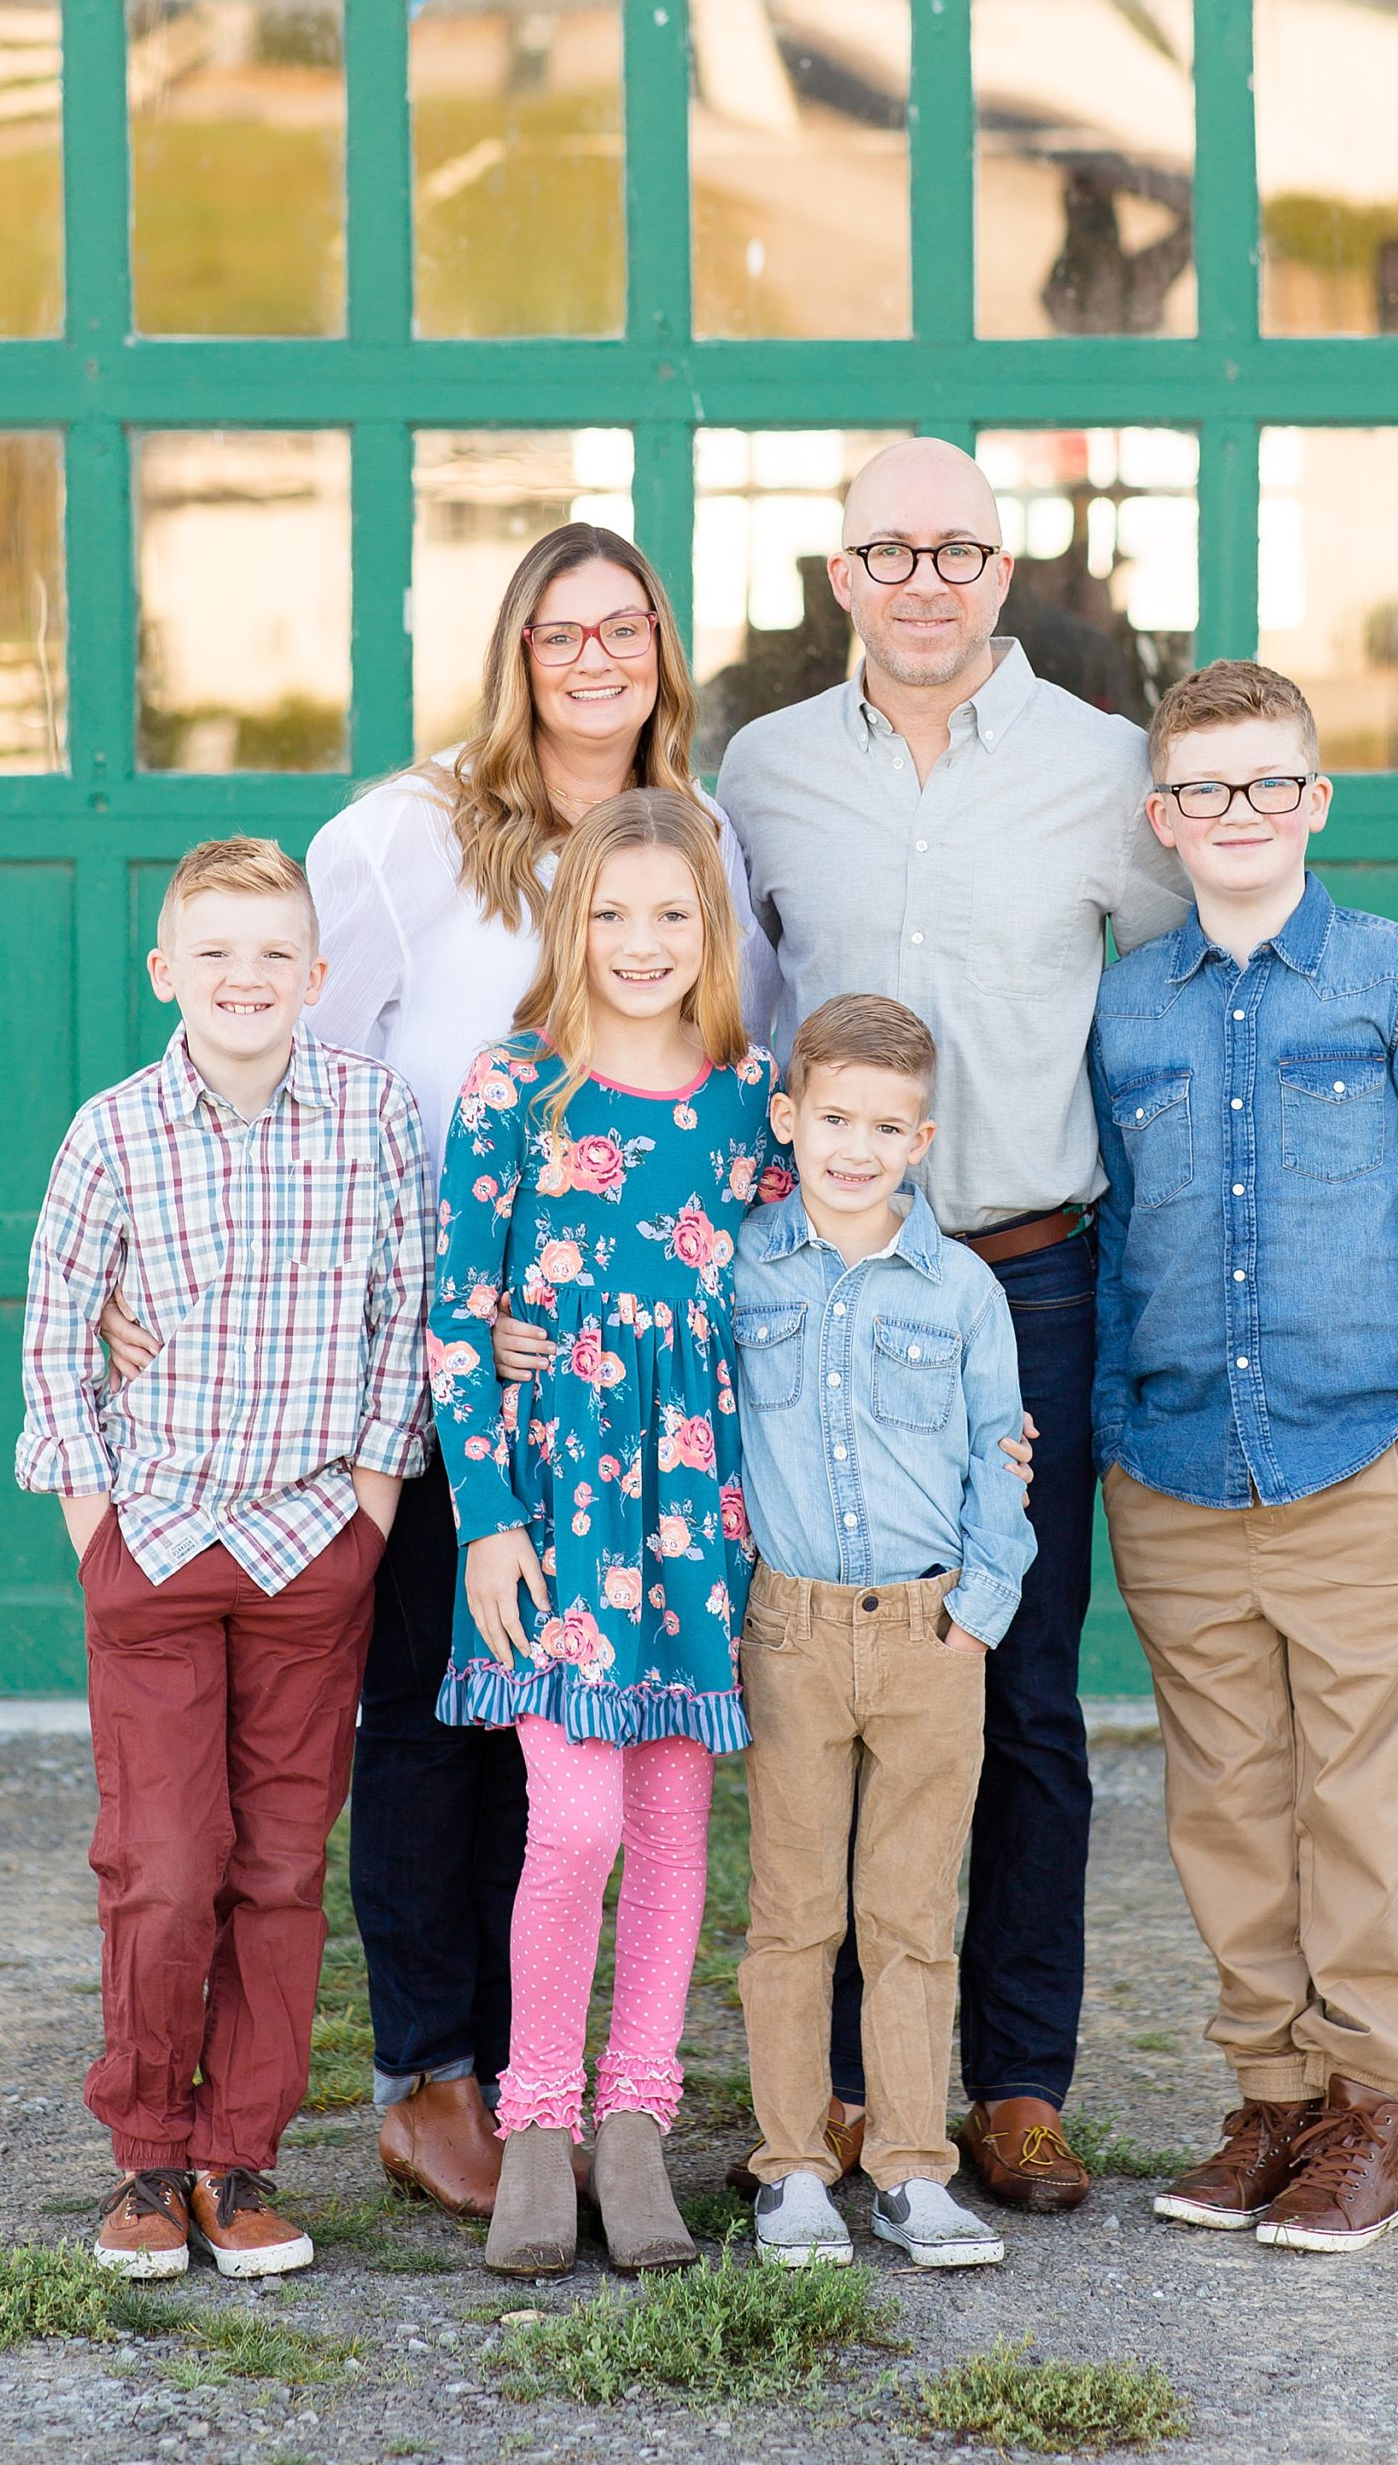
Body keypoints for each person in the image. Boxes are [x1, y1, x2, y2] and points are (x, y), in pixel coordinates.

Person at [97, 526, 775, 2222]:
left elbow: (737, 1091)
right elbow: (262, 1049)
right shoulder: (403, 837)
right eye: (561, 632)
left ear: (663, 648)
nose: (596, 659)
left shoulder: (701, 836)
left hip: (621, 1402)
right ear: (513, 652)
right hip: (418, 1344)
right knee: (429, 1715)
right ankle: (433, 2077)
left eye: (625, 628)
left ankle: (558, 2077)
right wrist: (142, 1265)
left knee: (556, 1748)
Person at [714, 436, 1191, 2211]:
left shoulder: (1102, 769)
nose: (923, 580)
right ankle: (848, 2086)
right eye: (889, 552)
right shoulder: (762, 771)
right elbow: (712, 1009)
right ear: (839, 576)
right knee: (829, 1684)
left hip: (1023, 1277)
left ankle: (1016, 2083)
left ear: (1003, 571)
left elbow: (1175, 986)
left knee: (1019, 1685)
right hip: (820, 1296)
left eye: (956, 552)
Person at [1090, 660, 1398, 2253]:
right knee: (1221, 1805)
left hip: (1360, 1464)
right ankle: (1268, 2100)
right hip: (1176, 1471)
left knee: (1362, 1808)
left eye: (1269, 783)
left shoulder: (1396, 981)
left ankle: (1369, 2113)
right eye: (1204, 789)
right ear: (1161, 817)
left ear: (1313, 799)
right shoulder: (1126, 1004)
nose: (1238, 812)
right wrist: (1116, 1436)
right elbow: (1111, 1237)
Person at [16, 838, 432, 2282]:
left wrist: (368, 1513)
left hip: (313, 1545)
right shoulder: (113, 1133)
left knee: (277, 1866)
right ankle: (148, 2153)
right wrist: (99, 1531)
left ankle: (239, 2158)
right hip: (159, 1540)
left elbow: (403, 1321)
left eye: (272, 954)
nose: (244, 977)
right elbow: (56, 1338)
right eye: (214, 952)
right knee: (164, 1863)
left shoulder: (373, 1116)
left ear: (316, 975)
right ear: (165, 973)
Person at [430, 788, 792, 2279]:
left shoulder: (749, 1098)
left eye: (672, 914)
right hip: (558, 1513)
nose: (642, 942)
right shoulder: (514, 1087)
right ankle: (538, 2119)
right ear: (568, 923)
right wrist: (485, 1521)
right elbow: (458, 1316)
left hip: (693, 1514)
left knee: (670, 1828)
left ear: (713, 929)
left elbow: (804, 1284)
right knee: (572, 1823)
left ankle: (636, 2117)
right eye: (611, 913)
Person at [734, 995, 1035, 2272]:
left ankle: (913, 2167)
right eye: (835, 1119)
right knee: (795, 1911)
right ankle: (795, 2167)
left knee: (911, 1912)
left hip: (928, 1630)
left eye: (887, 1126)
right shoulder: (741, 1268)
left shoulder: (963, 1288)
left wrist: (977, 1616)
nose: (856, 1147)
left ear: (923, 1140)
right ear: (789, 1118)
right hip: (789, 1629)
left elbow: (1002, 1454)